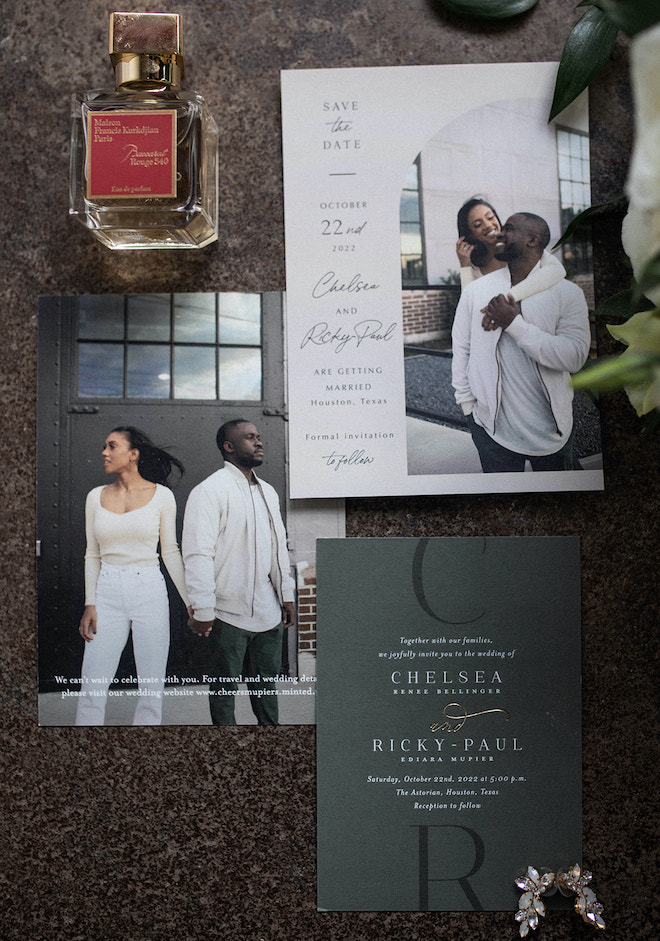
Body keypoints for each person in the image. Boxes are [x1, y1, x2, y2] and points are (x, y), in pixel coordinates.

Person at [451, 212, 591, 473]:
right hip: (490, 433)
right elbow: (461, 348)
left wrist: (514, 324)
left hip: (553, 434)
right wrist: (468, 409)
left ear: (532, 240)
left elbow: (574, 356)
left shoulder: (567, 293)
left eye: (510, 228)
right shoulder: (476, 291)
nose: (500, 233)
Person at [182, 419, 295, 726]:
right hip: (226, 614)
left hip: (267, 613)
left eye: (258, 437)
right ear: (228, 447)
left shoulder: (268, 492)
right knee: (223, 692)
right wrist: (203, 609)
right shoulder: (209, 491)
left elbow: (278, 548)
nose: (258, 442)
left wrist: (287, 595)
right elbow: (197, 554)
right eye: (249, 438)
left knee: (266, 691)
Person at [75, 426, 190, 726]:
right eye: (105, 446)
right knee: (92, 683)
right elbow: (92, 554)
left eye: (112, 446)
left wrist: (191, 602)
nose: (104, 452)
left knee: (151, 687)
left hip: (149, 589)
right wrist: (91, 603)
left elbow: (171, 552)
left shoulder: (162, 496)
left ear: (133, 454)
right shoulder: (94, 497)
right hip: (107, 592)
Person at [455, 196, 566, 305]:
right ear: (470, 235)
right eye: (478, 225)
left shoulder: (518, 247)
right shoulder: (476, 268)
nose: (488, 225)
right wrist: (465, 266)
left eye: (490, 218)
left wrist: (507, 298)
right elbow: (468, 305)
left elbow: (557, 271)